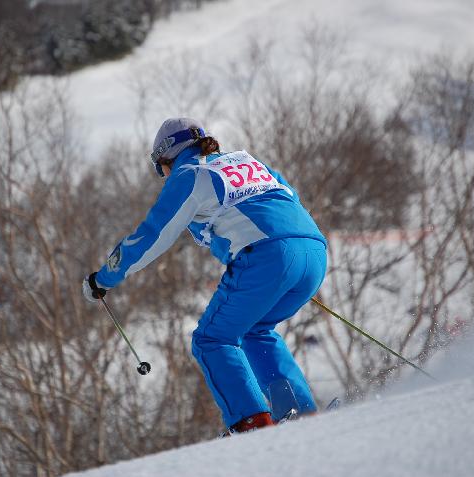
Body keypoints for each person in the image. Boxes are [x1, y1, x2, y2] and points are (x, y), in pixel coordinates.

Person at [82, 118, 327, 434]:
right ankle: (300, 413)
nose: (163, 177)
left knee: (212, 339)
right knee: (255, 330)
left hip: (268, 257)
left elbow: (152, 235)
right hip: (314, 252)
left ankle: (252, 424)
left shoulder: (189, 175)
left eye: (160, 169)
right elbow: (286, 202)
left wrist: (103, 278)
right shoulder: (248, 162)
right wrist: (291, 260)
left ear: (167, 157)